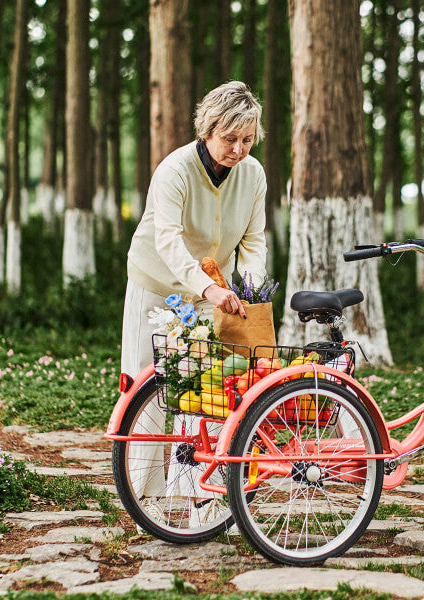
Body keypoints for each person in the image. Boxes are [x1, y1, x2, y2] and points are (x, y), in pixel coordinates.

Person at [120, 81, 267, 530]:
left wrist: (252, 292)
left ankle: (196, 489)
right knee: (149, 385)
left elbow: (254, 240)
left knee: (201, 391)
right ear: (208, 129)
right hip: (158, 285)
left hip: (210, 293)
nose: (238, 150)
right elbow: (167, 240)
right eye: (230, 139)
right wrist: (207, 289)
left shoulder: (253, 174)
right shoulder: (175, 171)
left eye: (247, 140)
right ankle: (142, 492)